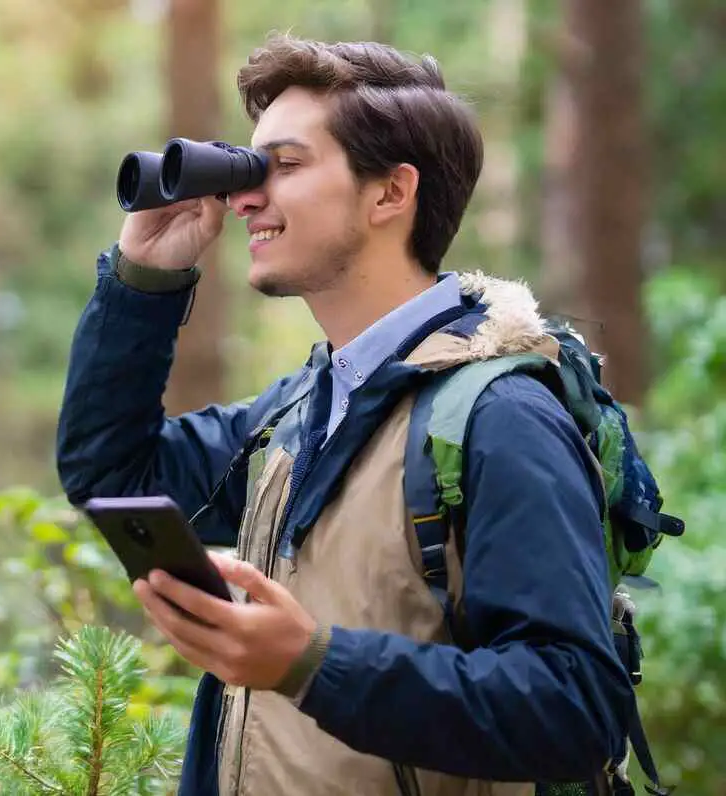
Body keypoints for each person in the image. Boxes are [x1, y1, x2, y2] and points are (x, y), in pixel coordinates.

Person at [56, 33, 634, 796]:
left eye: (285, 166)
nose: (245, 196)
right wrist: (144, 282)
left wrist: (311, 664)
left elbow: (574, 707)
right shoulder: (304, 410)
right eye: (247, 167)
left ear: (391, 193)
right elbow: (114, 473)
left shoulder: (501, 416)